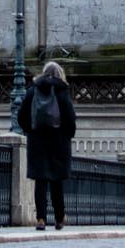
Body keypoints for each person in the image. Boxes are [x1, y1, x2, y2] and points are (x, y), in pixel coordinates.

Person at [16, 60, 77, 229]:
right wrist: (67, 134)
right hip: (58, 142)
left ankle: (41, 219)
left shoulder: (32, 90)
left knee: (40, 180)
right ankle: (59, 218)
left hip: (37, 141)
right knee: (57, 181)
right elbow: (70, 119)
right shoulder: (62, 91)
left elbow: (21, 116)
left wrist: (31, 130)